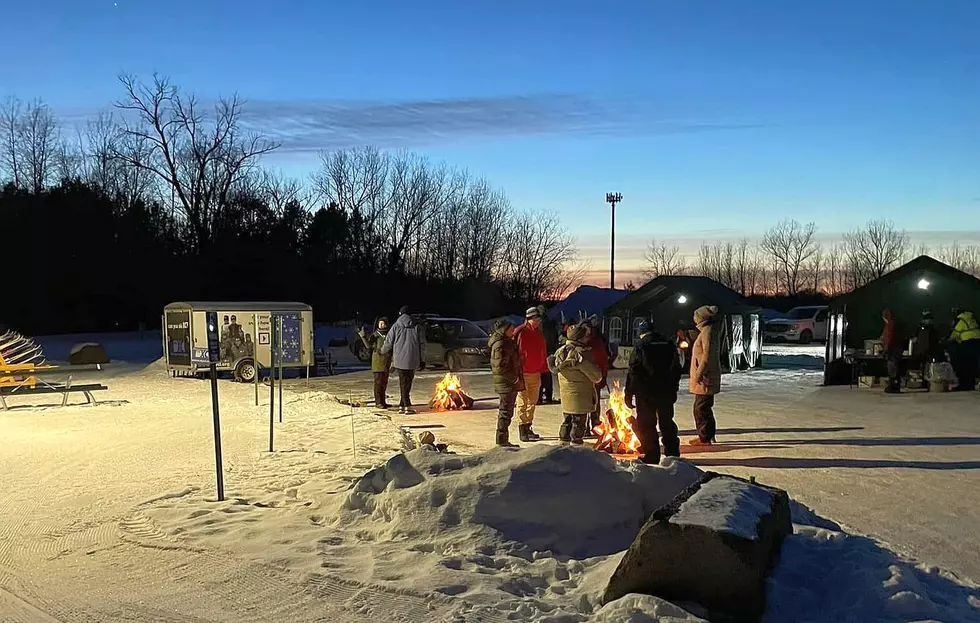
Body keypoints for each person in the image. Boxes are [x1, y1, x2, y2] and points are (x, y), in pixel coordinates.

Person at [624, 320, 682, 464]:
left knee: (647, 424)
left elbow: (634, 372)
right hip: (666, 391)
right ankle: (672, 453)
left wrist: (629, 393)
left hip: (646, 393)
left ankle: (651, 454)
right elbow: (677, 368)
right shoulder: (669, 345)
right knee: (667, 422)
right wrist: (673, 386)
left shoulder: (641, 346)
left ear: (641, 333)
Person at [549, 323, 602, 445]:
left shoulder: (559, 352)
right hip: (581, 396)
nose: (587, 338)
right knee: (578, 424)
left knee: (567, 421)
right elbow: (596, 376)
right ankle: (576, 448)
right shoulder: (580, 354)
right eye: (585, 336)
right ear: (579, 338)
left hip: (566, 395)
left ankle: (563, 444)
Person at [381, 306, 427, 414]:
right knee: (408, 382)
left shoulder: (396, 326)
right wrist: (423, 359)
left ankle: (404, 405)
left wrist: (382, 351)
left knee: (403, 382)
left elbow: (388, 342)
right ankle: (406, 405)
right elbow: (423, 344)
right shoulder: (416, 327)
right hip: (413, 359)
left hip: (399, 360)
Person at [689, 305, 722, 446]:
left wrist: (699, 374)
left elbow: (707, 357)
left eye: (696, 316)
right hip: (705, 376)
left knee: (701, 408)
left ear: (702, 317)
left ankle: (705, 437)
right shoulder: (706, 331)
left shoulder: (708, 332)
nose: (694, 318)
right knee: (703, 406)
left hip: (705, 378)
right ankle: (707, 435)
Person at [489, 318, 524, 447]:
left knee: (507, 412)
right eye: (510, 328)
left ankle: (503, 439)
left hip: (508, 382)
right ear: (504, 330)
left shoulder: (506, 342)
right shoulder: (501, 344)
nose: (513, 330)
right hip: (506, 383)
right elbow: (500, 367)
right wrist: (514, 379)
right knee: (505, 412)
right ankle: (502, 440)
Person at [515, 307, 547, 442]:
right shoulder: (521, 332)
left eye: (539, 319)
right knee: (523, 400)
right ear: (530, 318)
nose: (538, 321)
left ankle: (528, 426)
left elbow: (543, 351)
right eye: (536, 318)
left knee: (533, 401)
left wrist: (544, 368)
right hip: (524, 372)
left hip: (536, 372)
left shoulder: (539, 333)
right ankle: (522, 428)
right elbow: (516, 352)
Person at [359, 317, 392, 409]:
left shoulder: (389, 334)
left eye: (383, 323)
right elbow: (368, 347)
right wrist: (363, 337)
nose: (381, 325)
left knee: (384, 383)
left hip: (386, 362)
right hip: (377, 362)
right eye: (380, 323)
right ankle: (378, 402)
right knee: (378, 383)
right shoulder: (375, 335)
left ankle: (383, 401)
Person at [584, 315, 610, 433]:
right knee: (583, 402)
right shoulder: (581, 342)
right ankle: (582, 426)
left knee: (595, 401)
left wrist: (604, 375)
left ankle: (594, 423)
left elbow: (603, 359)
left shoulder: (598, 340)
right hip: (583, 377)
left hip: (596, 375)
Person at [948, 307, 980, 391]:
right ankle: (971, 385)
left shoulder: (960, 319)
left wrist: (948, 339)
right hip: (976, 343)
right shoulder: (972, 318)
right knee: (972, 365)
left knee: (963, 365)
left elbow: (955, 333)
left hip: (966, 343)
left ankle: (964, 385)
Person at [538, 305, 559, 405]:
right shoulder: (549, 324)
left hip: (545, 351)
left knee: (544, 375)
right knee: (545, 375)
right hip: (547, 351)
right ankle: (546, 396)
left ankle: (542, 396)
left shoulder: (543, 324)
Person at [880, 309, 903, 394]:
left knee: (892, 369)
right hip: (895, 350)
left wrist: (885, 348)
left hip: (892, 350)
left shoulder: (890, 325)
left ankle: (893, 386)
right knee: (893, 368)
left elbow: (889, 337)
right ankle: (894, 386)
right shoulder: (892, 324)